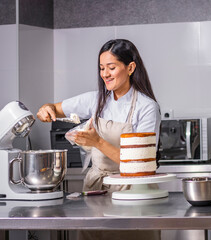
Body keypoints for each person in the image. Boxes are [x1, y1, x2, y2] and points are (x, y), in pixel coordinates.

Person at [37, 39, 161, 240]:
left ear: (130, 68)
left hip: (133, 193)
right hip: (97, 191)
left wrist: (97, 142)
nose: (105, 74)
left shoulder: (146, 108)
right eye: (102, 68)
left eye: (111, 68)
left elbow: (140, 166)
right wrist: (46, 109)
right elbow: (54, 107)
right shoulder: (95, 99)